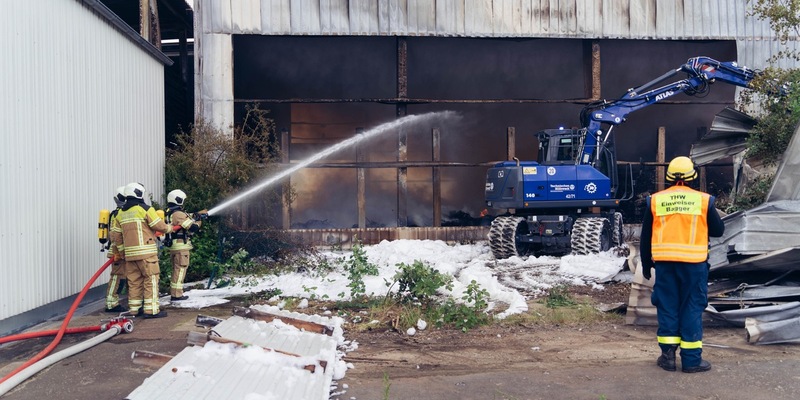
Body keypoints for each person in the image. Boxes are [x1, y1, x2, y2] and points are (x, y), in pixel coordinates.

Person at [640, 156, 725, 373]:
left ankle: (668, 358)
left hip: (665, 265)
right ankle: (692, 361)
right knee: (692, 308)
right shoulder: (703, 201)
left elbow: (646, 236)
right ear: (693, 176)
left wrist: (645, 263)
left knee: (667, 307)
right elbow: (718, 231)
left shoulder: (656, 200)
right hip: (694, 265)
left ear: (668, 177)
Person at [110, 182, 174, 318]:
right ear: (139, 193)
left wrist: (122, 252)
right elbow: (159, 226)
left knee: (134, 282)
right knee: (151, 280)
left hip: (130, 256)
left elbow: (116, 235)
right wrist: (170, 228)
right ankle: (151, 310)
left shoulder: (120, 213)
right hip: (147, 254)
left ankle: (134, 309)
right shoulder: (145, 209)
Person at [163, 189, 207, 302]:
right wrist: (199, 220)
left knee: (176, 270)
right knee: (180, 270)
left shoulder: (170, 212)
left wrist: (196, 215)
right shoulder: (178, 214)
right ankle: (177, 295)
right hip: (181, 247)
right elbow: (193, 227)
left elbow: (187, 217)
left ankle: (175, 293)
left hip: (175, 246)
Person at [104, 186, 128, 313]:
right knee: (116, 277)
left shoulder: (120, 213)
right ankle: (111, 303)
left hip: (121, 250)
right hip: (117, 252)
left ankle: (114, 301)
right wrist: (120, 251)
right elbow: (115, 234)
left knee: (121, 277)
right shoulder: (117, 214)